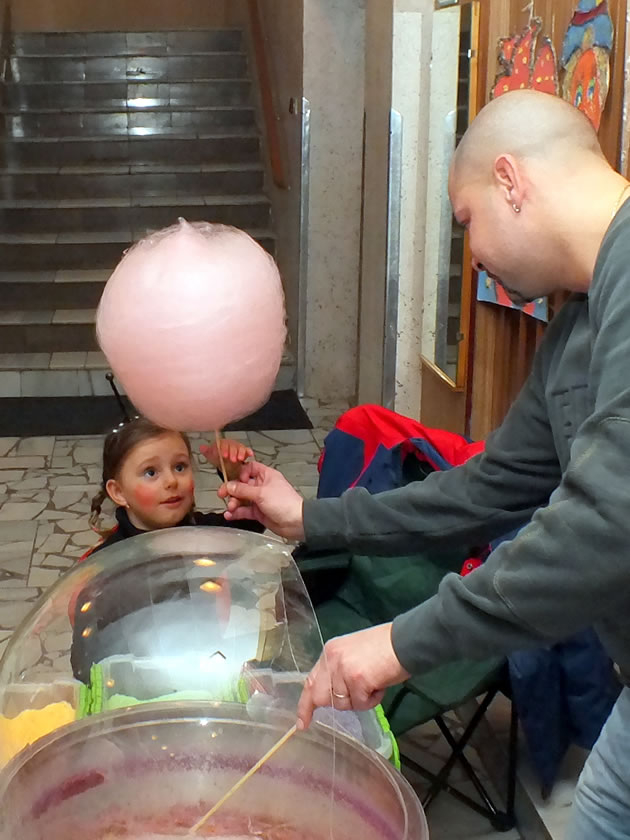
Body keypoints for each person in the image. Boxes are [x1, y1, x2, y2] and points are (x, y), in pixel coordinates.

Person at [217, 89, 630, 840]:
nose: (472, 254)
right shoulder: (579, 323)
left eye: (466, 220)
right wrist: (312, 518)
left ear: (510, 180)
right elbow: (487, 490)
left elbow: (607, 522)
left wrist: (401, 642)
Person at [87, 416, 264, 555]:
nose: (171, 481)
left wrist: (235, 475)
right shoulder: (106, 562)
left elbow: (251, 526)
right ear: (118, 492)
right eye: (150, 472)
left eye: (179, 467)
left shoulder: (207, 532)